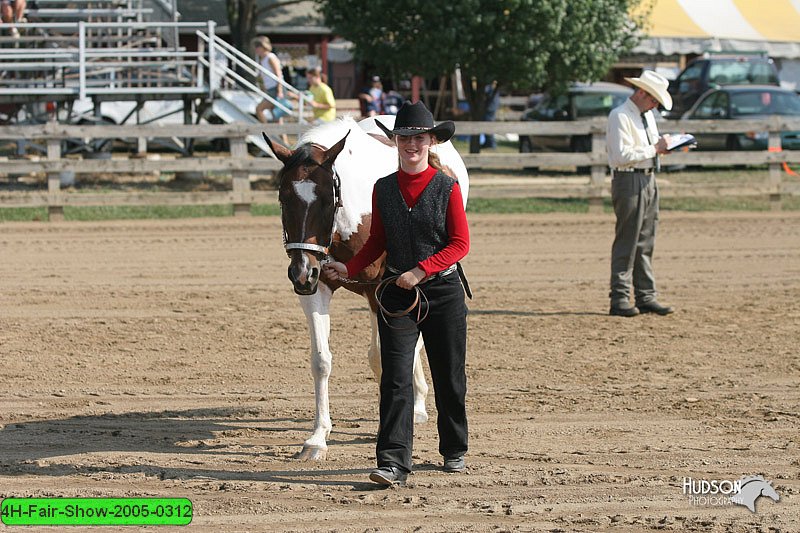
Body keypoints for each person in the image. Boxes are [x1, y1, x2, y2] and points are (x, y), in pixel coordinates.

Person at [323, 101, 470, 486]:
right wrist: (348, 269)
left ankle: (453, 449)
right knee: (395, 378)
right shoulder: (384, 189)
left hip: (442, 291)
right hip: (397, 295)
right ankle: (392, 462)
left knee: (449, 376)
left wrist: (421, 271)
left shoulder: (447, 187)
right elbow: (376, 242)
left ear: (431, 142)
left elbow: (460, 244)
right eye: (404, 138)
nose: (411, 145)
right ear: (395, 143)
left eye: (418, 138)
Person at [606, 70, 675, 317]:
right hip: (629, 179)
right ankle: (620, 297)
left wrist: (662, 149)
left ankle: (645, 295)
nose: (655, 105)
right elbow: (621, 156)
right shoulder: (620, 116)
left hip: (648, 177)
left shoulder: (646, 117)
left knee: (646, 239)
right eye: (653, 99)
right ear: (642, 93)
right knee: (628, 239)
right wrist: (654, 148)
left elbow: (649, 148)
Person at [252, 36, 284, 124]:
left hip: (275, 89)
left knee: (259, 109)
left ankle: (267, 133)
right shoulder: (262, 59)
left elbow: (278, 74)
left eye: (258, 46)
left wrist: (280, 90)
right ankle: (282, 138)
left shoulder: (270, 57)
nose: (256, 49)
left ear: (263, 46)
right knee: (277, 117)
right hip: (270, 89)